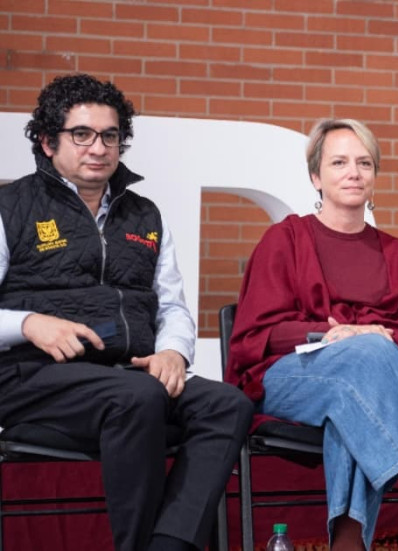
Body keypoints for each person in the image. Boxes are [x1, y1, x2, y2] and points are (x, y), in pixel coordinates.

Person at [226, 118, 398, 551]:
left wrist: (363, 342)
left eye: (364, 163)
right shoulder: (285, 240)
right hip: (285, 380)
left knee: (353, 397)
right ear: (316, 177)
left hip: (357, 385)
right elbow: (255, 334)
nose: (353, 172)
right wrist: (330, 335)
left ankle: (348, 543)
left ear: (375, 176)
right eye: (339, 162)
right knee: (365, 361)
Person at [0, 74, 253, 551]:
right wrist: (28, 323)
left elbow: (172, 306)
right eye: (82, 134)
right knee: (138, 398)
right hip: (30, 378)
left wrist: (173, 353)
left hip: (124, 372)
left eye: (110, 135)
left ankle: (168, 544)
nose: (98, 147)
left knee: (227, 404)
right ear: (48, 141)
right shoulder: (9, 207)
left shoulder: (145, 216)